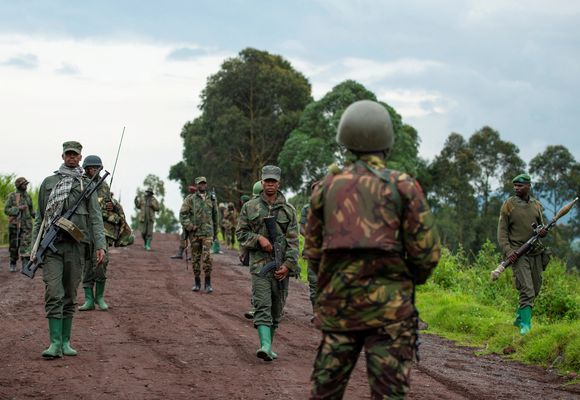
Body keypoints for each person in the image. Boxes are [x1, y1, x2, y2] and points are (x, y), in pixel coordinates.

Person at [304, 100, 441, 398]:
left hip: (339, 310)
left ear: (346, 141)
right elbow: (427, 254)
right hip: (391, 313)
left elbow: (313, 254)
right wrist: (403, 282)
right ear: (387, 142)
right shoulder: (403, 186)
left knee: (324, 393)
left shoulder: (326, 188)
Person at [31, 141, 106, 358]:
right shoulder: (49, 182)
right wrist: (34, 247)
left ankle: (65, 342)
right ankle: (54, 343)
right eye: (68, 154)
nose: (71, 157)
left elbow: (95, 217)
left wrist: (100, 244)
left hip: (76, 247)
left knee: (70, 295)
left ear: (80, 157)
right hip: (52, 248)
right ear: (63, 156)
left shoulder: (86, 184)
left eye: (75, 155)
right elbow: (41, 218)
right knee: (54, 292)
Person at [236, 166, 300, 361]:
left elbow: (294, 241)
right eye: (267, 181)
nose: (270, 184)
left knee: (276, 309)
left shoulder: (288, 211)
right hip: (259, 266)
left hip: (281, 267)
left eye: (273, 181)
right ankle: (264, 345)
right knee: (262, 305)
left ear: (278, 183)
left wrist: (288, 265)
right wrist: (259, 240)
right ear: (262, 182)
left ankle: (269, 346)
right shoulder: (250, 207)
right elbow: (241, 234)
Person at [497, 173, 548, 335]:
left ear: (528, 186)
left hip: (536, 253)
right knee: (527, 289)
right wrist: (508, 251)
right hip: (518, 254)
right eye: (515, 186)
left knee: (536, 288)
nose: (516, 188)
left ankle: (520, 317)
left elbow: (542, 228)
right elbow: (502, 233)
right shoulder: (508, 205)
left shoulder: (537, 205)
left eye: (520, 186)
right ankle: (525, 327)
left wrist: (543, 232)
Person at [78, 155, 127, 311]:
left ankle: (99, 297)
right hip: (84, 231)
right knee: (86, 264)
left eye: (96, 168)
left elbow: (106, 205)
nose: (94, 170)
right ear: (85, 168)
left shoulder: (104, 185)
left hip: (101, 232)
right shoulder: (79, 183)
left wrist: (109, 206)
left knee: (101, 262)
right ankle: (89, 299)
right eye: (91, 168)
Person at [179, 176, 218, 293]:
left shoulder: (212, 199)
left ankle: (208, 283)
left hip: (208, 233)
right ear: (196, 185)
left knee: (207, 258)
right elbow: (183, 214)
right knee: (195, 258)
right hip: (195, 234)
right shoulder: (190, 199)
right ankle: (197, 282)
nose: (202, 185)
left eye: (204, 183)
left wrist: (215, 233)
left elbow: (215, 216)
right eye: (200, 183)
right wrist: (190, 226)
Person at [4, 177, 35, 272]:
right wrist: (18, 209)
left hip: (27, 226)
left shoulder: (28, 196)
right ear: (18, 185)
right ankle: (13, 262)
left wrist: (38, 216)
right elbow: (6, 210)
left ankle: (25, 264)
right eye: (23, 184)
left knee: (26, 244)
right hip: (15, 225)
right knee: (14, 245)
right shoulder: (12, 196)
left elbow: (31, 211)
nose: (25, 186)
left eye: (26, 184)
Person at [299, 199, 317, 322]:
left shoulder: (333, 205)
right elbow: (301, 228)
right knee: (314, 283)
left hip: (330, 251)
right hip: (313, 251)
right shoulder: (307, 208)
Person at [171, 183, 197, 260]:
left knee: (193, 239)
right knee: (184, 238)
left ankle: (193, 256)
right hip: (188, 222)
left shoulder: (193, 199)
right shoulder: (189, 198)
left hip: (192, 223)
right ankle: (180, 253)